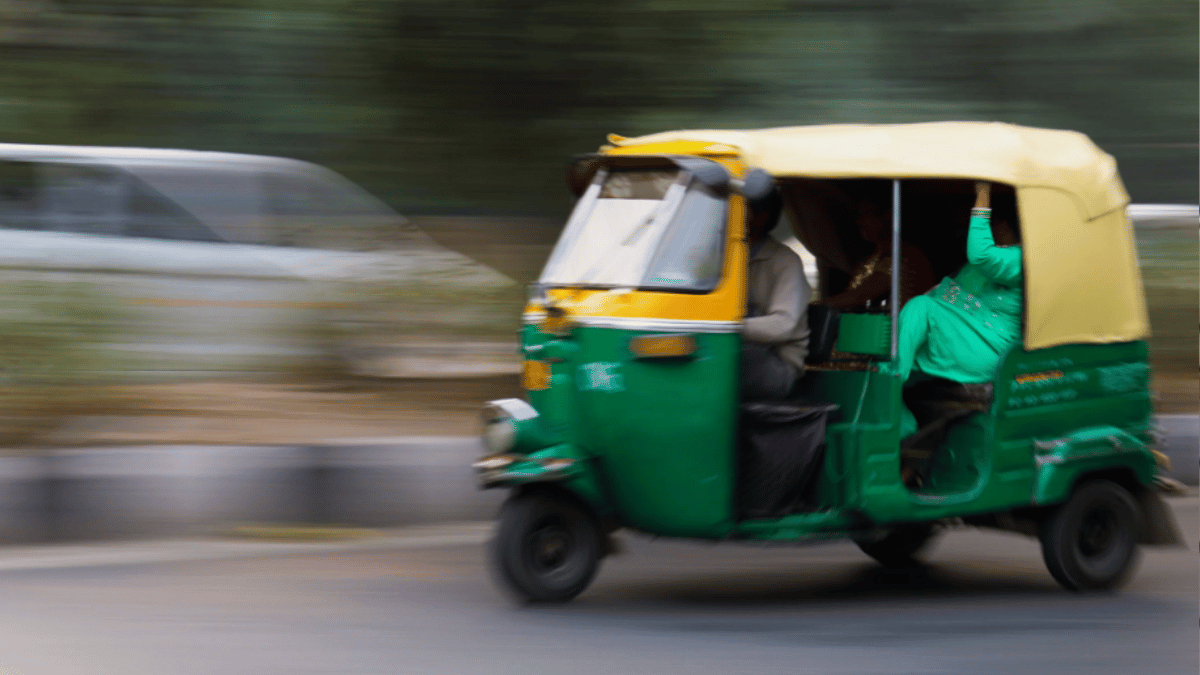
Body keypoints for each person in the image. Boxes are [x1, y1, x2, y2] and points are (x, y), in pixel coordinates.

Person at [895, 181, 1023, 437]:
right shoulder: (984, 265)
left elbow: (981, 256)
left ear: (997, 221)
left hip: (986, 351)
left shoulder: (1019, 259)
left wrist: (983, 191)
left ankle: (889, 402)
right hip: (961, 342)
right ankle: (904, 426)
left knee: (921, 308)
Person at [741, 188, 812, 400]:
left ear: (761, 217)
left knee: (729, 357)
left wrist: (726, 327)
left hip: (777, 367)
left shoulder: (785, 261)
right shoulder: (728, 255)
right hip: (744, 352)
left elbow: (782, 326)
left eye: (739, 208)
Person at [819, 197, 938, 311]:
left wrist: (815, 305)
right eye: (858, 216)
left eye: (866, 214)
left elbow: (861, 295)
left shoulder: (906, 255)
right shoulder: (872, 259)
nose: (859, 222)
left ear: (888, 215)